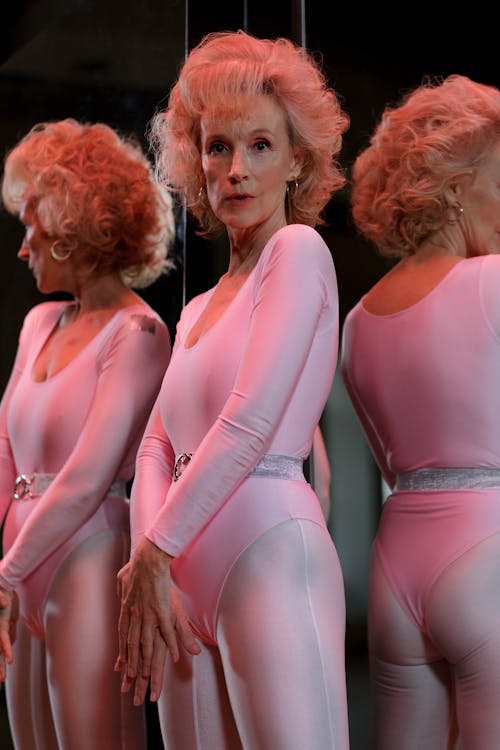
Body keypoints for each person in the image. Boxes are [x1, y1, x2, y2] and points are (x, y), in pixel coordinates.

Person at [115, 29, 350, 750]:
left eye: (260, 146)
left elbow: (251, 425)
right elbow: (156, 444)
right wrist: (145, 567)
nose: (238, 170)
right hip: (178, 576)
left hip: (268, 552)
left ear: (297, 161)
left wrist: (155, 549)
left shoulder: (298, 252)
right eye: (219, 147)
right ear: (196, 160)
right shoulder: (198, 306)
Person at [0, 118, 175, 749]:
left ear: (71, 230)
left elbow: (86, 479)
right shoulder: (38, 322)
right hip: (19, 562)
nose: (24, 247)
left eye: (31, 227)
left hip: (88, 553)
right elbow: (3, 450)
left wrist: (5, 572)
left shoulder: (138, 333)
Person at [341, 74, 500, 750]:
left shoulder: (358, 320)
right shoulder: (492, 282)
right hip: (486, 549)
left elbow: (388, 459)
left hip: (396, 566)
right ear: (459, 187)